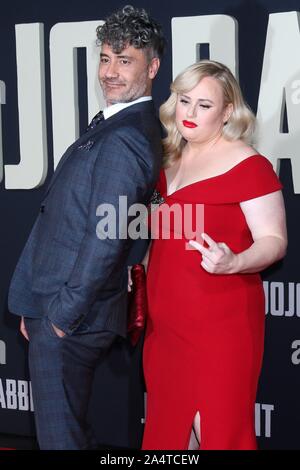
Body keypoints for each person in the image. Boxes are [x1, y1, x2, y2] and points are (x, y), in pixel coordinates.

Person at [8, 5, 165, 450]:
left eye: (125, 60)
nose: (110, 72)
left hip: (71, 316)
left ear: (152, 67)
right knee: (69, 434)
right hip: (60, 306)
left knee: (60, 441)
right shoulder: (122, 126)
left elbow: (108, 236)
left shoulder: (128, 137)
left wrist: (59, 316)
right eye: (105, 58)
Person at [141, 60, 287, 450]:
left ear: (227, 112)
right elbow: (161, 242)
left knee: (218, 433)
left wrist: (234, 261)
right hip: (165, 329)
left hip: (221, 326)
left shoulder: (249, 166)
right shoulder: (167, 160)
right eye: (184, 100)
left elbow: (274, 240)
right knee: (169, 437)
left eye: (204, 105)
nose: (189, 113)